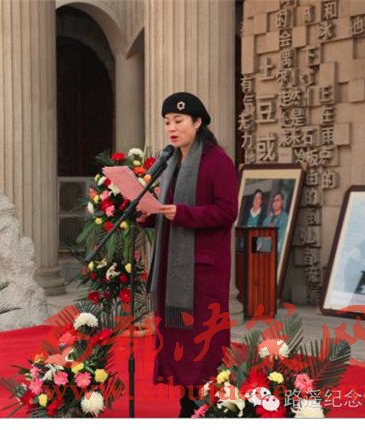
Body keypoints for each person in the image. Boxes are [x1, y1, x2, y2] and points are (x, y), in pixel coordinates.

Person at [138, 92, 238, 417]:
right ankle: (187, 402)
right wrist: (149, 215)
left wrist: (183, 214)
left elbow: (227, 211)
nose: (171, 128)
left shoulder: (217, 161)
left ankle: (208, 404)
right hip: (173, 270)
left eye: (178, 121)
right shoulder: (171, 161)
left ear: (197, 122)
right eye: (167, 122)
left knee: (202, 340)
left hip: (202, 272)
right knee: (179, 339)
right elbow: (168, 210)